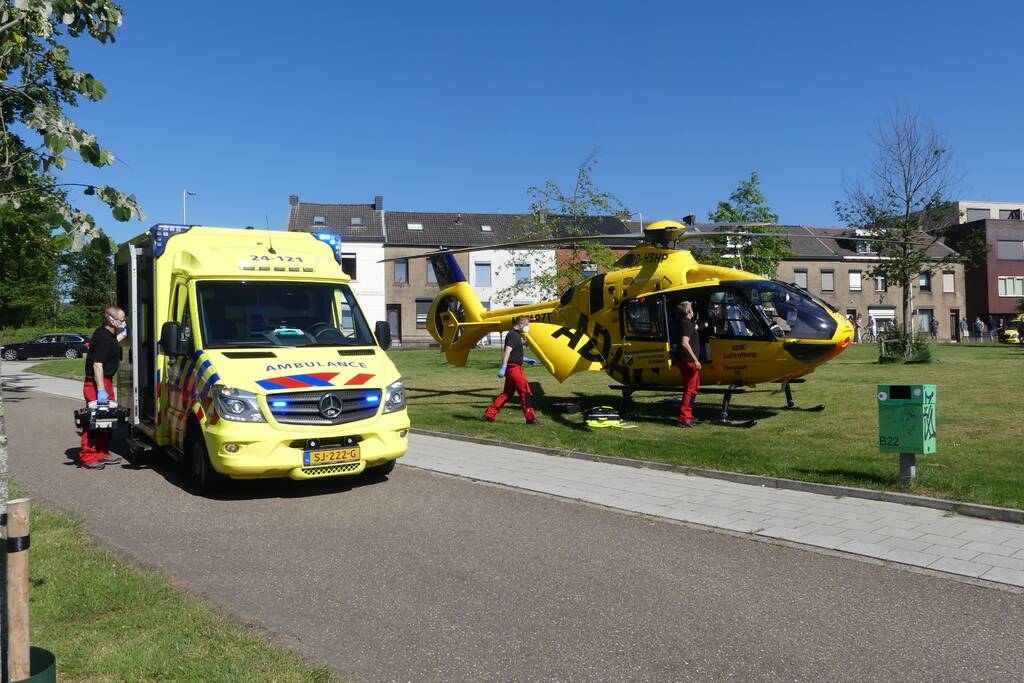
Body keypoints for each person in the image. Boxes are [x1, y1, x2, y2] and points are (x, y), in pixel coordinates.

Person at [80, 306, 127, 470]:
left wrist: (122, 336)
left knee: (106, 420)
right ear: (110, 319)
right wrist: (101, 390)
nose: (124, 322)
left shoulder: (108, 335)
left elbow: (111, 345)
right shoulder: (103, 338)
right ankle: (87, 456)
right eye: (122, 320)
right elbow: (98, 365)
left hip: (105, 381)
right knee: (94, 420)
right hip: (96, 383)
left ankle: (102, 453)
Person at [484, 316, 538, 424]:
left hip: (512, 367)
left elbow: (513, 353)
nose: (528, 327)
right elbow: (508, 351)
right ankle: (530, 418)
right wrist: (503, 367)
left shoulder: (514, 334)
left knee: (507, 394)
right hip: (514, 369)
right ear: (521, 324)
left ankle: (489, 415)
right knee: (525, 392)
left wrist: (525, 359)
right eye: (527, 325)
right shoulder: (513, 335)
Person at [673, 301, 702, 428]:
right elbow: (685, 342)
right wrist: (695, 360)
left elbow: (694, 328)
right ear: (689, 311)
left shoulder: (685, 323)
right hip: (688, 361)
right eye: (691, 309)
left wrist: (705, 324)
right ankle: (684, 418)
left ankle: (688, 416)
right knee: (690, 389)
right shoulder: (687, 324)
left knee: (694, 387)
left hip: (683, 360)